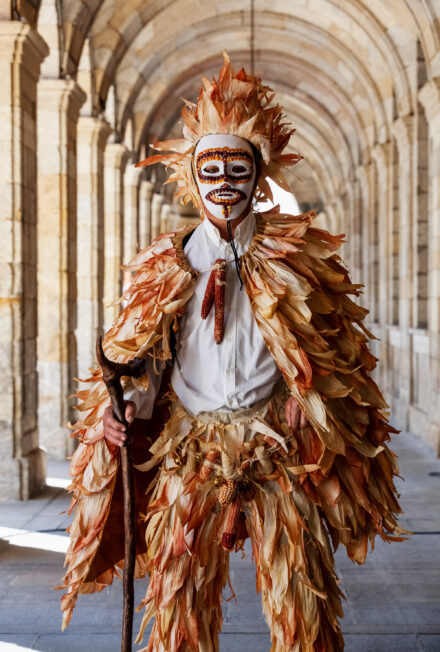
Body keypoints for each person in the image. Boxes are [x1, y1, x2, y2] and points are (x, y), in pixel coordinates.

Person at [60, 52, 409, 652]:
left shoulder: (297, 261)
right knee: (178, 609)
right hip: (189, 449)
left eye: (237, 168)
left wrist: (317, 404)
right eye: (211, 168)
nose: (224, 182)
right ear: (192, 178)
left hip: (280, 452)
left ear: (260, 175)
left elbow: (336, 353)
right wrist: (123, 414)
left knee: (304, 606)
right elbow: (135, 361)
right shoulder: (164, 265)